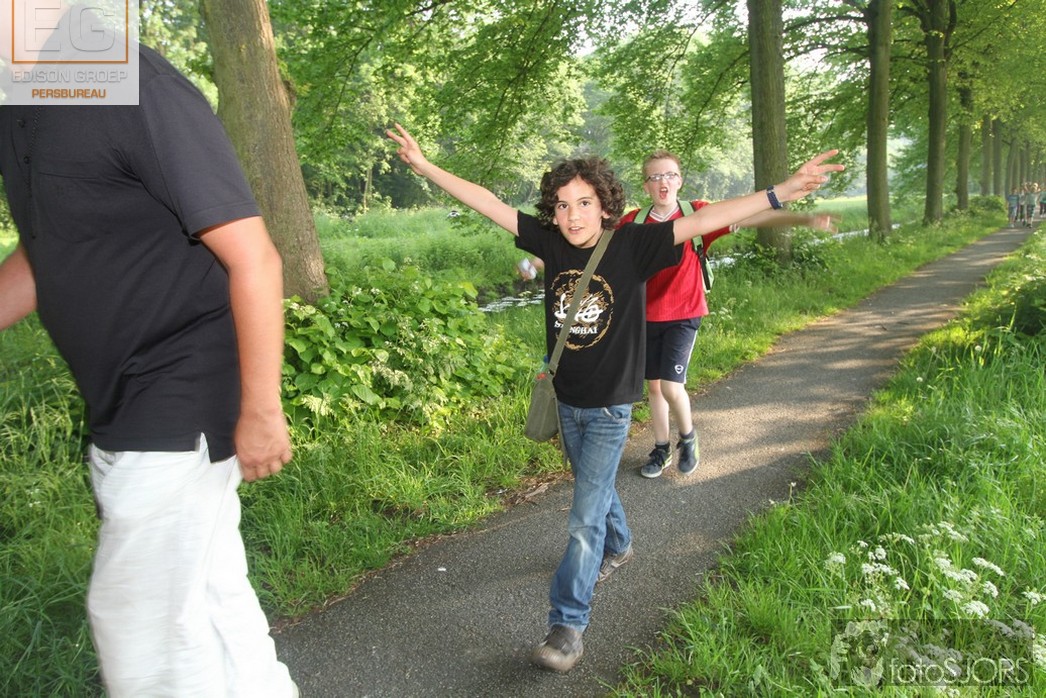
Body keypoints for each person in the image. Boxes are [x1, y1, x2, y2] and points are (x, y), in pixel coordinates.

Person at [386, 123, 842, 672]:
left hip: (608, 409)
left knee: (583, 518)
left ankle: (567, 626)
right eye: (561, 205)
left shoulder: (632, 245)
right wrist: (424, 165)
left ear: (606, 206)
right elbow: (486, 202)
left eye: (583, 203)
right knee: (594, 488)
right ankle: (621, 543)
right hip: (566, 401)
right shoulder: (550, 243)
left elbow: (704, 220)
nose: (572, 215)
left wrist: (782, 191)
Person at [0, 42, 298, 696]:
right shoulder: (20, 100)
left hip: (179, 393)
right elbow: (50, 246)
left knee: (143, 635)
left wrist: (261, 409)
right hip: (118, 402)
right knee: (212, 609)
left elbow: (255, 256)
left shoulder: (130, 82)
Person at [623, 150, 838, 479]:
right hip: (644, 317)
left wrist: (805, 219)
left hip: (684, 313)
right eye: (655, 177)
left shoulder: (698, 214)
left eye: (670, 175)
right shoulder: (634, 222)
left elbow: (753, 216)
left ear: (680, 181)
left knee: (670, 386)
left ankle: (688, 438)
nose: (663, 182)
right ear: (646, 185)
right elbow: (596, 243)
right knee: (654, 388)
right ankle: (661, 448)